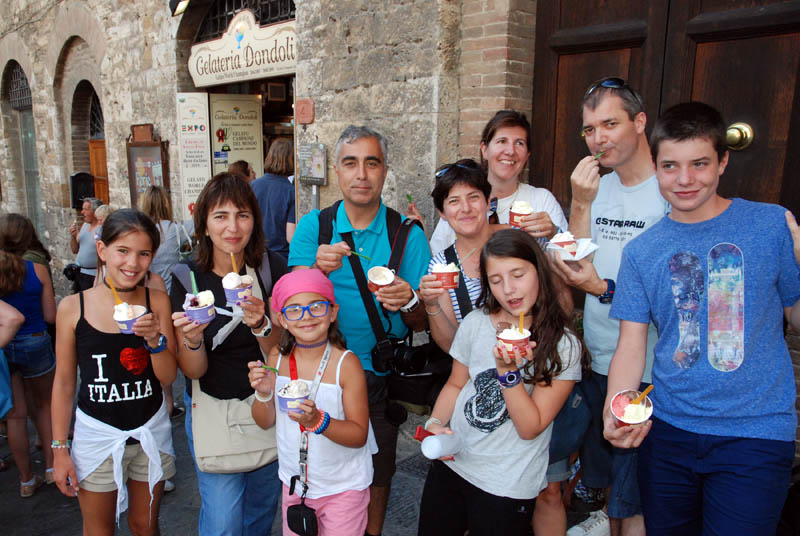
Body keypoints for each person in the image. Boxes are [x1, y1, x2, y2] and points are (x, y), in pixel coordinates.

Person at [605, 101, 800, 535]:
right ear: (655, 166)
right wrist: (614, 409)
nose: (685, 179)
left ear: (723, 161)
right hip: (668, 431)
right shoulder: (641, 252)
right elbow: (631, 344)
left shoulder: (771, 226)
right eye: (671, 166)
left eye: (700, 163)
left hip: (755, 432)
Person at [289, 125, 431, 536]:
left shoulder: (407, 234)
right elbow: (291, 303)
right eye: (351, 163)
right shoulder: (313, 228)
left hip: (376, 376)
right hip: (316, 371)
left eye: (372, 162)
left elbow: (420, 321)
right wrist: (313, 266)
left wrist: (408, 301)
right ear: (336, 171)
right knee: (311, 465)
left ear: (385, 170)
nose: (362, 174)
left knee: (377, 469)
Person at [550, 77, 670, 536]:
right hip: (600, 354)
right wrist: (580, 202)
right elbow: (571, 264)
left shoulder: (669, 190)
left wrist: (603, 287)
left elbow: (669, 296)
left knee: (635, 495)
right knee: (611, 487)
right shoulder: (597, 189)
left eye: (610, 124)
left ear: (640, 123)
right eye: (589, 129)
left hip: (650, 367)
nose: (598, 138)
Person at [417, 229, 585, 534]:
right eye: (496, 280)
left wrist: (508, 373)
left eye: (518, 274)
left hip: (506, 481)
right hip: (454, 460)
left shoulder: (564, 345)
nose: (509, 289)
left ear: (539, 270)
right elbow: (456, 384)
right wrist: (435, 423)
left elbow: (530, 427)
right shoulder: (476, 322)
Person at [170, 172, 287, 536]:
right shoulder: (185, 280)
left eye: (242, 214)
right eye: (221, 216)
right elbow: (193, 372)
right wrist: (192, 339)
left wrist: (261, 325)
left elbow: (280, 352)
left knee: (259, 517)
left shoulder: (270, 270)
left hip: (265, 409)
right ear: (204, 223)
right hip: (213, 412)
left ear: (255, 220)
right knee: (222, 524)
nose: (232, 227)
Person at [51, 209, 178, 535]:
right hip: (97, 435)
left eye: (143, 253)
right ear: (102, 249)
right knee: (99, 528)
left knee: (145, 526)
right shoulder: (72, 308)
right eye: (122, 250)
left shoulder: (158, 301)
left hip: (149, 433)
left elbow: (167, 377)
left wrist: (155, 340)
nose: (132, 263)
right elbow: (65, 383)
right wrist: (59, 449)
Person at [247, 269, 376, 535]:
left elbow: (359, 434)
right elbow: (264, 421)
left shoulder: (346, 364)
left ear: (332, 312)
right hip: (296, 485)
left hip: (344, 487)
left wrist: (318, 421)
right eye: (294, 309)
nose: (306, 317)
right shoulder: (277, 359)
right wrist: (263, 393)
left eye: (316, 307)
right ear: (281, 318)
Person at [429, 110, 568, 255]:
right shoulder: (461, 205)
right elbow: (438, 259)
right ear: (484, 149)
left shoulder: (541, 199)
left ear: (527, 155)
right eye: (502, 141)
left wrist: (553, 233)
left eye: (519, 143)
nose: (510, 151)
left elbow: (570, 262)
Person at [0, 214, 57, 497]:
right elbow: (50, 315)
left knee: (15, 415)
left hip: (4, 345)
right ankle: (50, 466)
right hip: (35, 341)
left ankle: (25, 479)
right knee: (45, 406)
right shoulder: (37, 270)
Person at [419, 159, 493, 352]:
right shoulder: (441, 265)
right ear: (442, 212)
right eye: (454, 201)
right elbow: (451, 345)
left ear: (488, 201)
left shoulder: (518, 241)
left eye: (473, 197)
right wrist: (431, 304)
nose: (466, 208)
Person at [139, 186, 195, 295]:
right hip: (174, 289)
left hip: (149, 291)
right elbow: (201, 224)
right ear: (166, 204)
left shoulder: (140, 230)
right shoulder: (176, 228)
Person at [251, 137, 296, 259]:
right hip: (281, 257)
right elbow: (290, 236)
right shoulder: (291, 191)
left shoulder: (252, 186)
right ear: (291, 160)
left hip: (255, 253)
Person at [69, 197, 103, 291]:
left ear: (94, 211)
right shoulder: (85, 225)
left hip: (93, 276)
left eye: (85, 209)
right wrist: (73, 237)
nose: (82, 212)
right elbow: (75, 250)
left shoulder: (102, 229)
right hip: (79, 273)